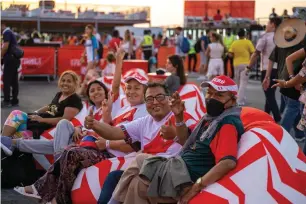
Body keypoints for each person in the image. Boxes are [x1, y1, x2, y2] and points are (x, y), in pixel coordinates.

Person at [112, 75, 244, 204]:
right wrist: (179, 117)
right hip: (178, 170)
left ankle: (112, 202)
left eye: (219, 95)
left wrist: (196, 187)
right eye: (209, 93)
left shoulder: (227, 123)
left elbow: (227, 162)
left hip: (184, 177)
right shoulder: (210, 119)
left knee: (140, 159)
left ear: (232, 100)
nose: (211, 98)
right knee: (137, 184)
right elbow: (185, 141)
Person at [88, 83, 198, 204]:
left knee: (140, 159)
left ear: (169, 99)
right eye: (150, 99)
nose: (155, 102)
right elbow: (114, 133)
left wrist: (176, 132)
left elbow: (194, 147)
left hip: (172, 175)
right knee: (120, 178)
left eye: (160, 97)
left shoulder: (184, 118)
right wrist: (94, 124)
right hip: (146, 173)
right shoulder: (144, 122)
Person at [0, 71, 83, 155]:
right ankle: (4, 143)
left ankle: (3, 143)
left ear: (75, 83)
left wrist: (42, 119)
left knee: (16, 116)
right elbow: (51, 107)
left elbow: (63, 120)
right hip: (41, 120)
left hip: (47, 126)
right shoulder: (60, 94)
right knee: (15, 123)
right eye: (63, 80)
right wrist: (36, 112)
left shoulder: (74, 100)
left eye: (69, 81)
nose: (65, 83)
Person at [263, 18, 306, 142]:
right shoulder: (299, 45)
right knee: (292, 107)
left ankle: (298, 134)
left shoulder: (280, 45)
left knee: (295, 107)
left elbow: (271, 60)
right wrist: (295, 80)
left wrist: (267, 76)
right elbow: (298, 65)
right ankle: (280, 136)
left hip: (283, 79)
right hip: (294, 81)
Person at [248, 17, 282, 123]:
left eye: (268, 23)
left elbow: (256, 53)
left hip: (267, 69)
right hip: (279, 70)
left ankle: (278, 119)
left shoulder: (265, 37)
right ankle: (266, 117)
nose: (266, 25)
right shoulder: (281, 37)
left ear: (273, 24)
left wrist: (248, 67)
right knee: (270, 94)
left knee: (269, 95)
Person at [272, 47, 306, 153]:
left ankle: (282, 137)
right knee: (293, 109)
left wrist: (289, 81)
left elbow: (302, 73)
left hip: (293, 84)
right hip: (297, 88)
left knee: (292, 109)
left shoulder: (281, 45)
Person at [229, 29, 255, 106]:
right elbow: (253, 52)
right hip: (246, 64)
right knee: (243, 82)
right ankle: (239, 100)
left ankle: (239, 98)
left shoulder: (234, 43)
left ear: (238, 35)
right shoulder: (248, 42)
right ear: (245, 34)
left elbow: (230, 54)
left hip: (236, 64)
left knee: (237, 82)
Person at [1, 23, 21, 107]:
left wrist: (0, 56)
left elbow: (5, 46)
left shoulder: (6, 33)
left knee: (7, 80)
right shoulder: (10, 32)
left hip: (10, 59)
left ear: (2, 25)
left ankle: (6, 101)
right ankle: (14, 100)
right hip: (14, 59)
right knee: (14, 80)